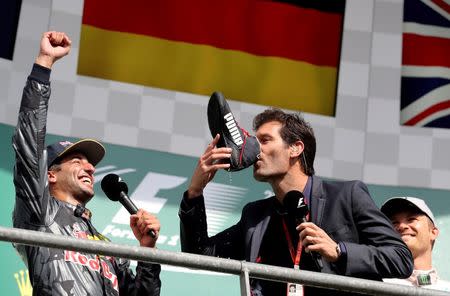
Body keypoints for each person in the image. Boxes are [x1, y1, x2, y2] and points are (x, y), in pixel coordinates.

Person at [179, 108, 413, 295]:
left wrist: (339, 251)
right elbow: (198, 255)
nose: (253, 150)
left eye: (265, 140)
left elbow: (400, 259)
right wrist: (195, 192)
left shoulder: (346, 195)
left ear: (295, 148)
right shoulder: (255, 215)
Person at [12, 31, 161, 296]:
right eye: (77, 160)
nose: (91, 168)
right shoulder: (41, 213)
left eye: (91, 163)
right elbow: (28, 145)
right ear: (50, 175)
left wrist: (147, 251)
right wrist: (44, 63)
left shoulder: (106, 246)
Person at [381, 197, 450, 291]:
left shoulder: (446, 290)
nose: (401, 226)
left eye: (411, 219)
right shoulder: (373, 284)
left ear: (433, 233)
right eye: (394, 223)